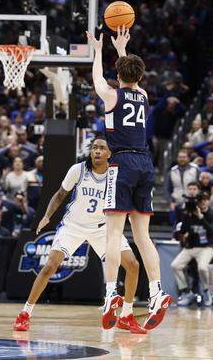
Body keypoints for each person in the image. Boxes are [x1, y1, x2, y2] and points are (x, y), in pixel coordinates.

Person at [87, 26, 170, 331]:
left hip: (120, 163)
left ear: (119, 75)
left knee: (112, 234)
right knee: (143, 236)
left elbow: (98, 79)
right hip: (145, 163)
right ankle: (157, 291)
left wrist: (97, 49)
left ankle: (111, 295)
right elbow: (130, 78)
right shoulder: (144, 95)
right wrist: (122, 50)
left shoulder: (111, 95)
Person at [13, 138, 144, 333]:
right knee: (49, 266)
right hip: (73, 226)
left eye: (102, 148)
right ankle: (25, 314)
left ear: (110, 154)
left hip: (103, 227)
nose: (97, 151)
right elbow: (59, 195)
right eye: (94, 148)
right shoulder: (78, 170)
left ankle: (126, 315)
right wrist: (46, 216)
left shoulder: (116, 175)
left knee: (133, 265)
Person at [171, 195, 213, 307]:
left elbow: (211, 231)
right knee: (175, 265)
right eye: (200, 201)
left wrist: (201, 217)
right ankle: (186, 292)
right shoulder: (188, 215)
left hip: (206, 248)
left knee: (202, 267)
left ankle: (207, 292)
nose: (203, 203)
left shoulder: (211, 214)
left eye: (205, 200)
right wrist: (185, 215)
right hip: (190, 248)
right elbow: (182, 231)